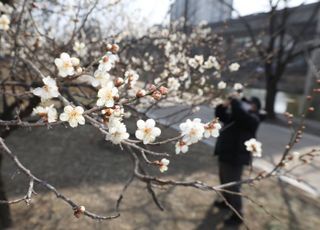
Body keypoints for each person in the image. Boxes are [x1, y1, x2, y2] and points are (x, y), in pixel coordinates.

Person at [213, 95, 262, 226]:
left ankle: (237, 215)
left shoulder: (253, 119)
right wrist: (224, 105)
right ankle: (225, 202)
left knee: (233, 186)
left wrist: (235, 102)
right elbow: (220, 115)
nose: (245, 104)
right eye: (244, 103)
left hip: (235, 159)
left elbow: (241, 115)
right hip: (224, 154)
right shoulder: (235, 116)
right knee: (223, 181)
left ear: (256, 107)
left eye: (250, 103)